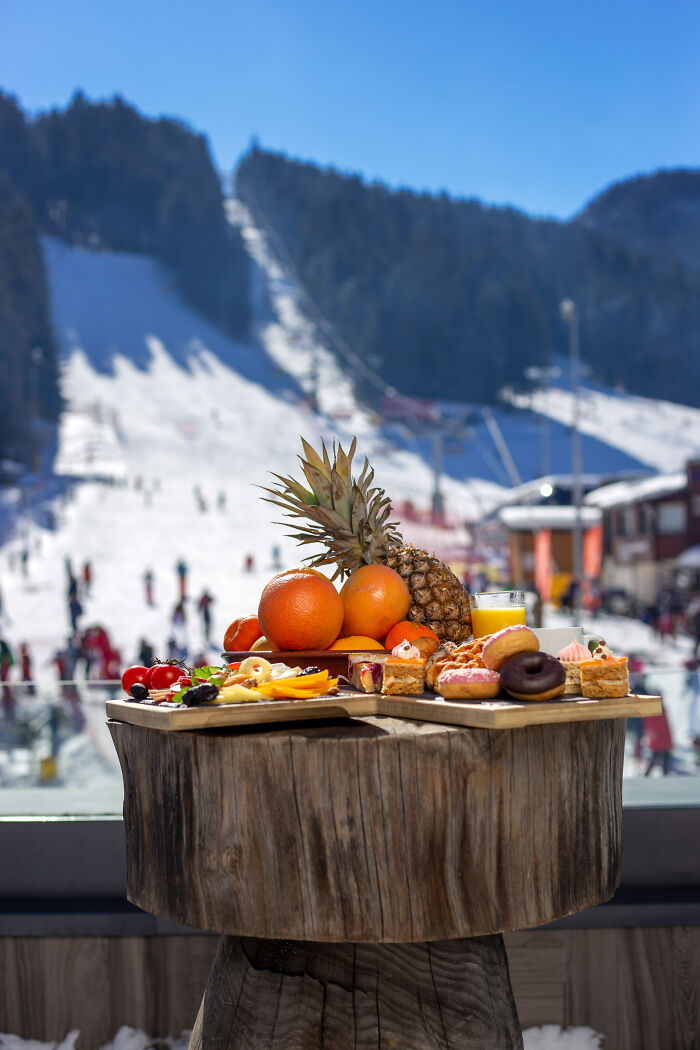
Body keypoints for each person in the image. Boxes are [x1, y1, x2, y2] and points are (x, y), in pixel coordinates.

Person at [643, 703, 674, 776]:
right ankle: (647, 775)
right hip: (658, 740)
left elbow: (666, 726)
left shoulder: (660, 710)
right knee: (655, 758)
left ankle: (663, 775)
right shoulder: (653, 711)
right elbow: (651, 725)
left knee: (664, 758)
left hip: (662, 740)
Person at [0, 638, 14, 719]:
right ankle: (7, 696)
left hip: (5, 668)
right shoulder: (4, 651)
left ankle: (7, 697)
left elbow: (7, 660)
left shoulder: (5, 652)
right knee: (4, 682)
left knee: (5, 682)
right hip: (4, 668)